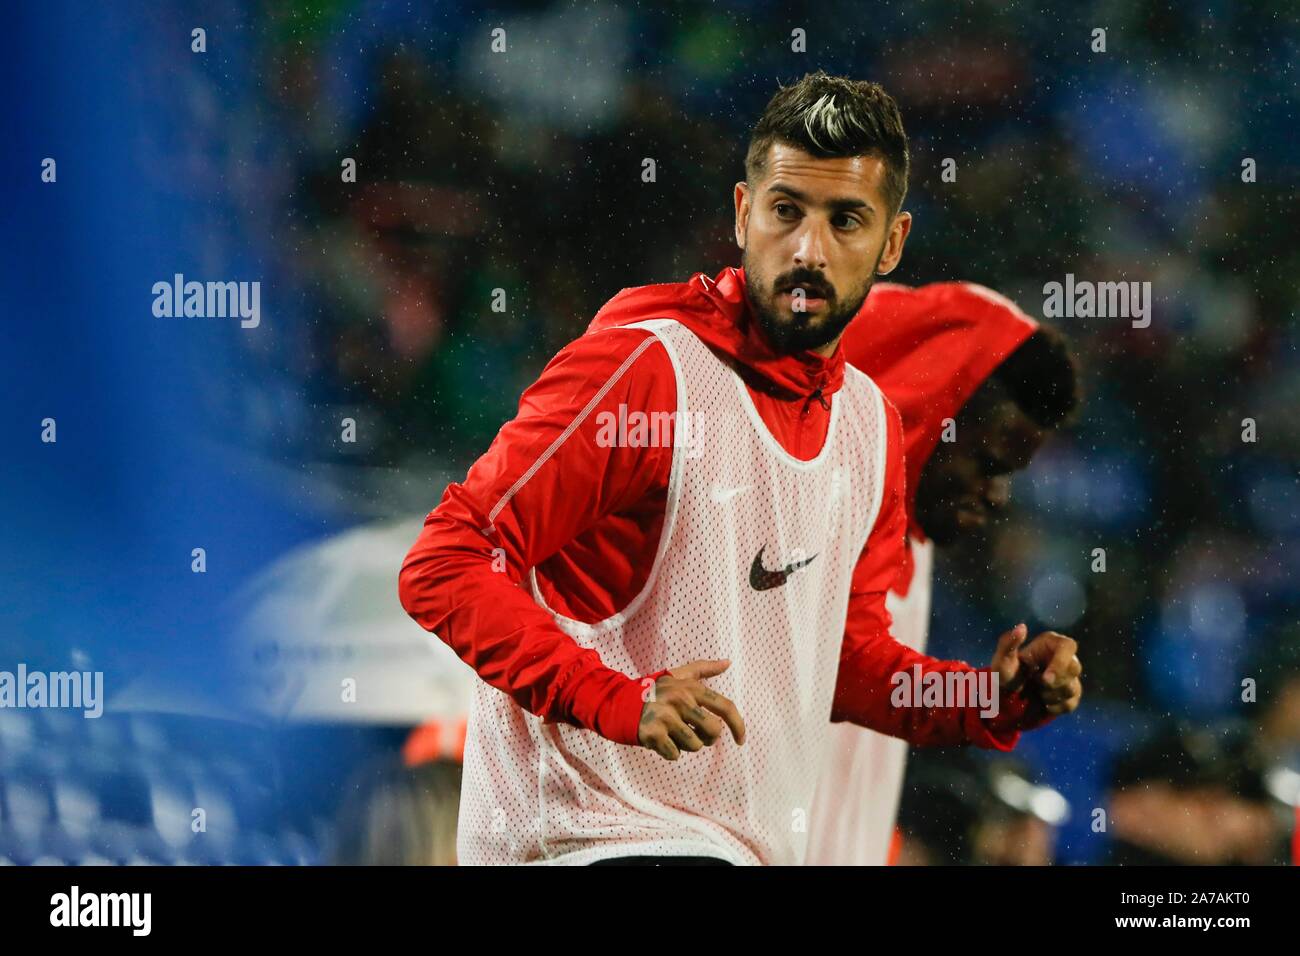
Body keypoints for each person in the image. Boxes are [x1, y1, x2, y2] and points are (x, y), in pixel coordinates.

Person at [398, 71, 1081, 865]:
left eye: (846, 220)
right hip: (587, 844)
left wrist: (981, 699)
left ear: (892, 243)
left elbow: (845, 663)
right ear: (742, 213)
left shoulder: (866, 423)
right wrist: (615, 699)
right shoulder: (646, 371)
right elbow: (445, 560)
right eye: (786, 210)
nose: (807, 249)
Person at [806, 281, 1083, 865]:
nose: (1001, 496)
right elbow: (850, 678)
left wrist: (994, 697)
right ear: (920, 410)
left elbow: (872, 703)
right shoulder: (806, 512)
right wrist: (984, 697)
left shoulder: (915, 541)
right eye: (987, 463)